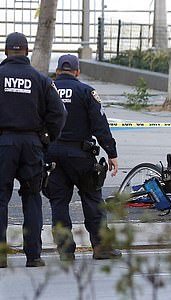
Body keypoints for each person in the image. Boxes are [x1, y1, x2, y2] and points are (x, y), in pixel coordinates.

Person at [44, 54, 121, 261]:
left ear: (58, 71)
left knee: (58, 202)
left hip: (52, 155)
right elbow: (100, 126)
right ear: (77, 72)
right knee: (92, 199)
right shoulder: (87, 91)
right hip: (81, 156)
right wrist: (111, 153)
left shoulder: (47, 89)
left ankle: (65, 251)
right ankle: (102, 248)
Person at [0, 32, 67, 268]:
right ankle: (33, 256)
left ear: (6, 51)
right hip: (32, 146)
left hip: (3, 145)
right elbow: (59, 113)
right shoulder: (41, 79)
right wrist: (47, 139)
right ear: (26, 52)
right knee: (32, 198)